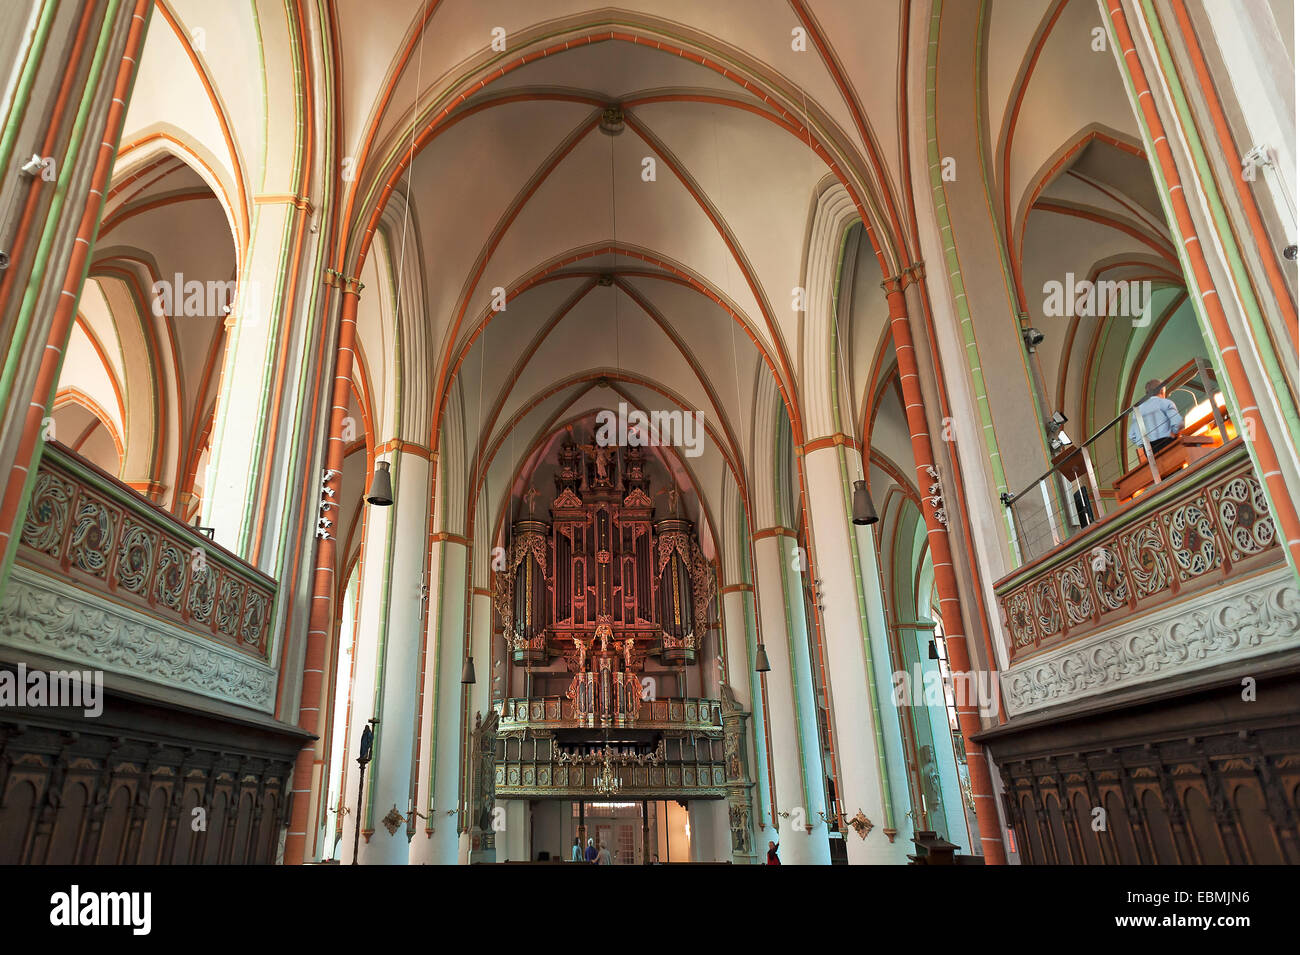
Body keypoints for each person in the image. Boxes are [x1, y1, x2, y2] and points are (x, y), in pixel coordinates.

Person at [1127, 379, 1183, 456]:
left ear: (1147, 393)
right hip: (1167, 444)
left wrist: (1143, 443)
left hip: (1149, 451)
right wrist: (1174, 433)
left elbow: (1132, 435)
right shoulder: (1165, 403)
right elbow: (1178, 424)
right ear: (1162, 391)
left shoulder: (1137, 411)